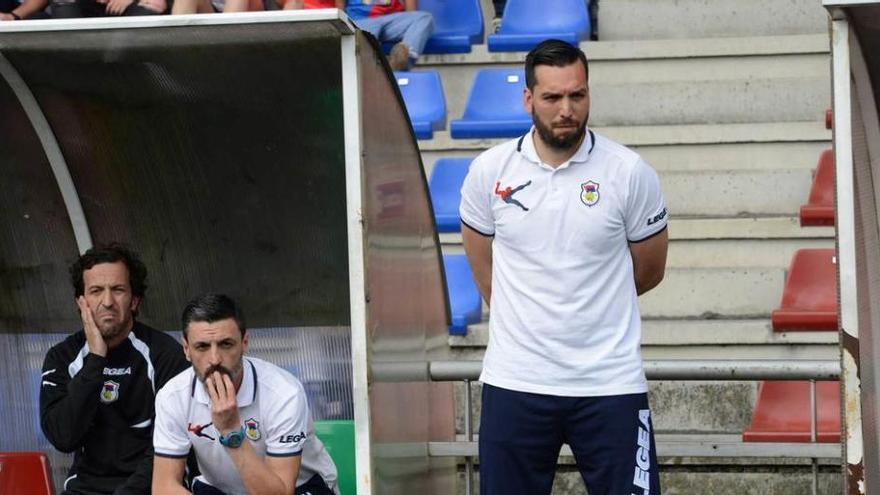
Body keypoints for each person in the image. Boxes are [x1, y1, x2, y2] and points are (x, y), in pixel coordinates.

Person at [459, 39, 667, 495]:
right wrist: (517, 310)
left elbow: (650, 270)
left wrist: (595, 304)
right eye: (552, 97)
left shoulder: (629, 172)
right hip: (516, 381)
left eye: (577, 95)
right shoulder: (489, 171)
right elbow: (478, 252)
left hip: (609, 382)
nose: (566, 109)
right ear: (529, 98)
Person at [40, 244, 190, 495]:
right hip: (83, 490)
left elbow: (172, 449)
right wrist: (96, 359)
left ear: (134, 300)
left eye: (118, 290)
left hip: (150, 488)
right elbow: (63, 438)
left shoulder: (164, 353)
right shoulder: (62, 357)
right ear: (82, 301)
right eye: (96, 291)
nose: (107, 301)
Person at [152, 293, 338, 495]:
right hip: (221, 489)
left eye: (226, 344)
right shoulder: (172, 396)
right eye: (202, 346)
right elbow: (164, 487)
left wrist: (231, 432)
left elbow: (280, 493)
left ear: (245, 343)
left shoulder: (284, 393)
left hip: (300, 487)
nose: (214, 359)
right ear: (187, 349)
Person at [346, 0, 433, 71]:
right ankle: (368, 67)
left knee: (424, 18)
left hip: (391, 21)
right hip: (362, 21)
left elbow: (411, 13)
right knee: (368, 33)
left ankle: (403, 59)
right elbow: (339, 9)